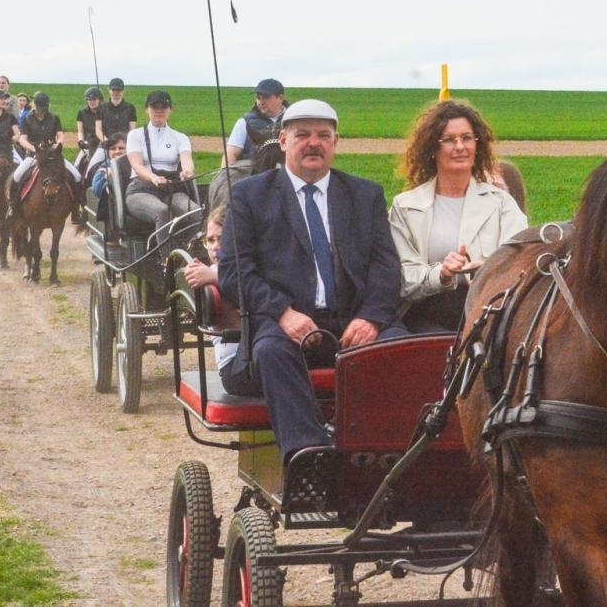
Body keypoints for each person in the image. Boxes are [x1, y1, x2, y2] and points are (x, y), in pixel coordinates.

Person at [218, 99, 406, 464]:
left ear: (336, 142)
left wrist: (371, 319)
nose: (313, 143)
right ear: (284, 141)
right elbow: (234, 271)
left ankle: (385, 457)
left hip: (354, 320)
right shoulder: (250, 196)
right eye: (302, 135)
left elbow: (386, 268)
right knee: (271, 352)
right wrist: (283, 314)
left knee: (403, 349)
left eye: (323, 135)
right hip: (283, 323)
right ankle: (310, 457)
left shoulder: (365, 196)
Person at [389, 99, 528, 334]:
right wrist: (441, 274)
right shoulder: (405, 207)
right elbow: (402, 278)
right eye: (449, 140)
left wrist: (488, 269)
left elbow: (522, 260)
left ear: (477, 145)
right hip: (426, 314)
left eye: (466, 138)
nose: (460, 146)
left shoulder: (502, 203)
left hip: (490, 310)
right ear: (432, 149)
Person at [182, 207, 248, 394]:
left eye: (222, 239)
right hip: (237, 363)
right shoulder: (212, 273)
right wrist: (214, 276)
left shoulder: (234, 270)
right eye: (210, 240)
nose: (214, 246)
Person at [207, 78, 289, 212]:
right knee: (225, 186)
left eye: (266, 97)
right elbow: (231, 153)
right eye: (258, 97)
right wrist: (225, 176)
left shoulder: (294, 121)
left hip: (289, 166)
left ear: (280, 98)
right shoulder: (244, 122)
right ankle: (219, 221)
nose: (261, 102)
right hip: (250, 167)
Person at [124, 90, 196, 231]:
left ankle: (193, 249)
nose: (159, 111)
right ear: (146, 110)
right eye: (154, 107)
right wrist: (154, 178)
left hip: (171, 189)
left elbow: (186, 159)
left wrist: (188, 171)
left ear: (170, 110)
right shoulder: (135, 135)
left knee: (195, 212)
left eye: (163, 107)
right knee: (162, 211)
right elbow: (137, 165)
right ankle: (167, 254)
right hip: (141, 189)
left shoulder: (180, 138)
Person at [11, 92, 86, 222]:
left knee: (76, 176)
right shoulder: (27, 119)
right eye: (40, 108)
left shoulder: (54, 118)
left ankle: (76, 209)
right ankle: (13, 207)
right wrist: (34, 149)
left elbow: (60, 135)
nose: (42, 111)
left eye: (44, 108)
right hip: (33, 155)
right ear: (35, 105)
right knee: (17, 176)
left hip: (52, 156)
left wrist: (58, 145)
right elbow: (23, 139)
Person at [89, 132, 128, 199]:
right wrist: (106, 178)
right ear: (108, 152)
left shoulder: (137, 167)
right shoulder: (103, 170)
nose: (117, 151)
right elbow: (96, 191)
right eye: (113, 149)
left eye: (121, 148)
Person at [75, 87, 105, 170]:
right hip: (89, 145)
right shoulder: (82, 113)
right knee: (77, 165)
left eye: (94, 99)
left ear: (100, 100)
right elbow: (80, 131)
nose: (91, 102)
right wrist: (81, 140)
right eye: (89, 99)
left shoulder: (106, 111)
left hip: (103, 143)